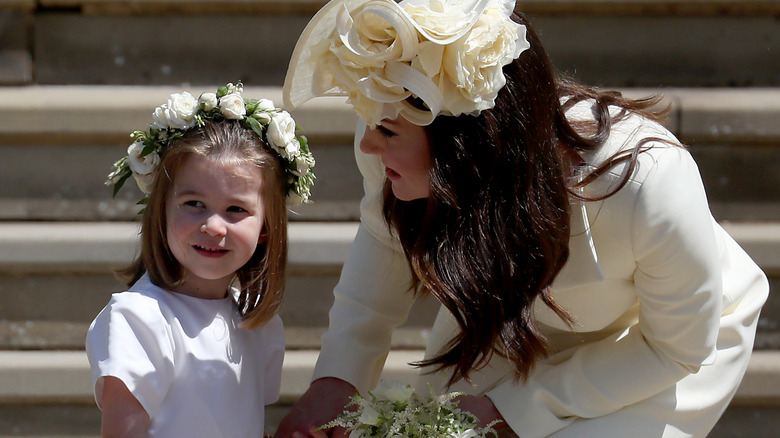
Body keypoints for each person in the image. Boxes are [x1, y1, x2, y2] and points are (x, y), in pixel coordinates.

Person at [276, 1, 769, 437]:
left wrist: (513, 408)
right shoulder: (393, 132)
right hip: (510, 309)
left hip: (659, 345)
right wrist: (337, 381)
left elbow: (676, 349)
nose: (367, 145)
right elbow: (384, 248)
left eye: (385, 130)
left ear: (467, 144)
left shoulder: (648, 183)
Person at [86, 83, 315, 437]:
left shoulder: (256, 323)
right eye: (194, 204)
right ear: (161, 210)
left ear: (267, 227)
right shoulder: (140, 320)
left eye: (236, 209)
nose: (212, 226)